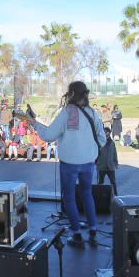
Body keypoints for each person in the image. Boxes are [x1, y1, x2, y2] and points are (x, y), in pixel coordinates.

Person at [22, 81, 106, 247]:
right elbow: (102, 138)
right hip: (88, 163)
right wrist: (91, 150)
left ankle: (76, 234)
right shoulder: (92, 113)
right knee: (87, 194)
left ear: (72, 94)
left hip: (69, 164)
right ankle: (93, 231)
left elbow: (48, 135)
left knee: (69, 197)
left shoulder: (67, 112)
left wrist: (34, 123)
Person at [96, 126, 119, 195]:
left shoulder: (112, 143)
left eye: (107, 132)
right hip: (101, 166)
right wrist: (96, 162)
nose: (106, 133)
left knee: (113, 182)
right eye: (104, 132)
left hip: (110, 166)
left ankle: (116, 195)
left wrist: (116, 163)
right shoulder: (99, 142)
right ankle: (98, 195)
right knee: (100, 182)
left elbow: (114, 153)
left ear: (109, 133)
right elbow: (96, 153)